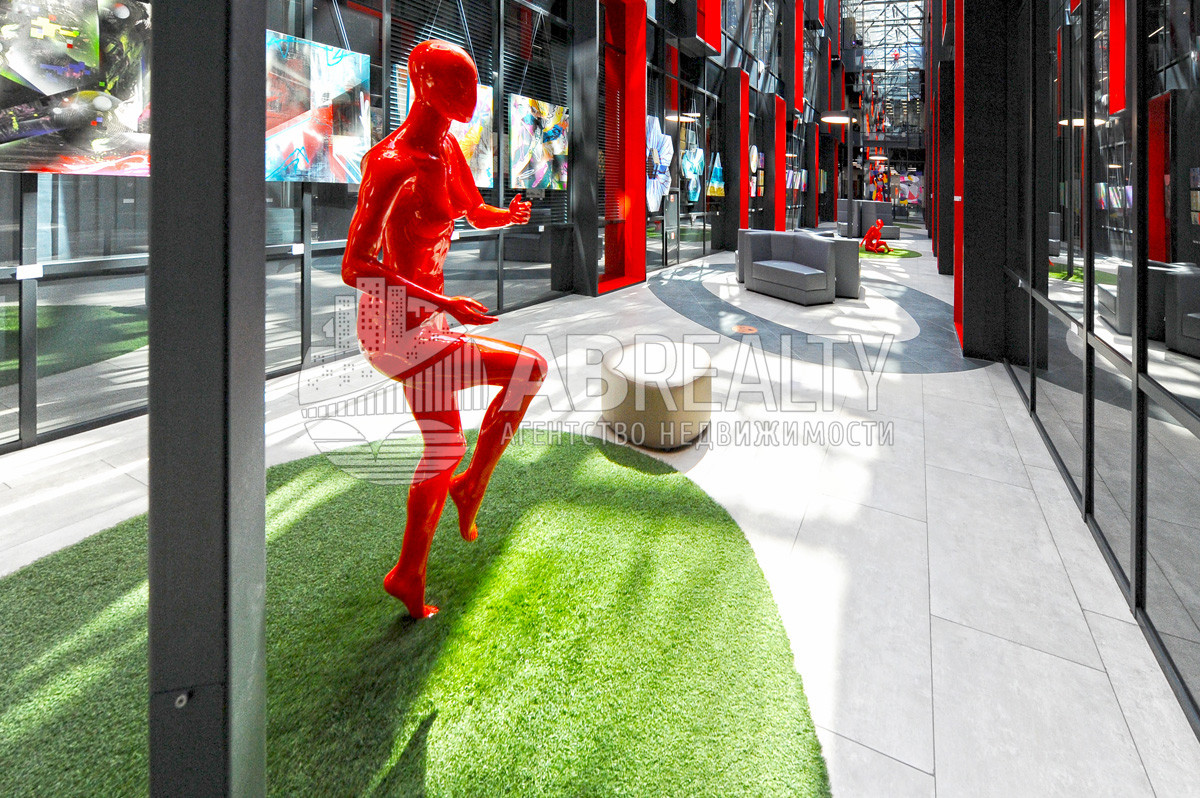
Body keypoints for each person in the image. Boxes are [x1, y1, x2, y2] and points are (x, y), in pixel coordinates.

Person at [342, 40, 547, 619]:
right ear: (425, 86)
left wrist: (508, 216)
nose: (470, 96)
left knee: (444, 444)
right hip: (393, 330)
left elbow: (474, 212)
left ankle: (408, 574)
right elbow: (355, 265)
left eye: (472, 83)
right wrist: (445, 302)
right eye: (458, 84)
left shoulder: (448, 148)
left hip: (428, 319)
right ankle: (471, 486)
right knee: (528, 370)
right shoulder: (391, 162)